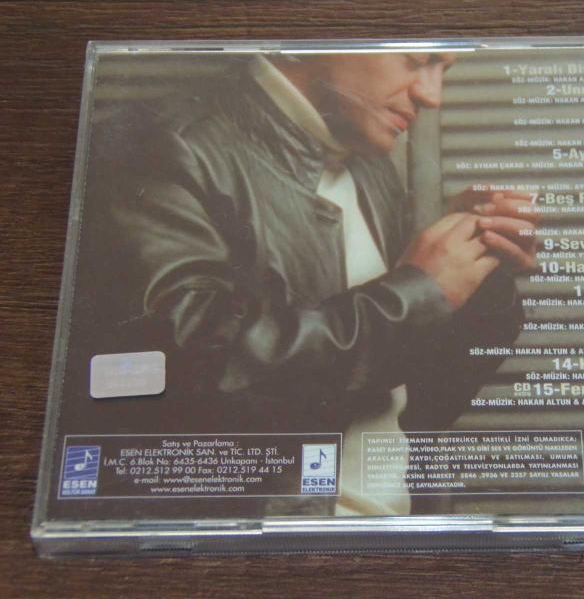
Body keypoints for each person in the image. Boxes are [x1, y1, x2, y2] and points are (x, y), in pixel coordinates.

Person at [90, 50, 539, 516]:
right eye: (416, 60)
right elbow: (195, 379)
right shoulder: (158, 145)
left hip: (390, 532)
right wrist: (417, 294)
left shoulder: (367, 160)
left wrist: (474, 273)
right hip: (262, 546)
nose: (432, 96)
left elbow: (413, 404)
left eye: (444, 71)